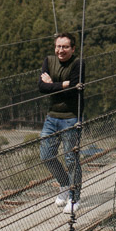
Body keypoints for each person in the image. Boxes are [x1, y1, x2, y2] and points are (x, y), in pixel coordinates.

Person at [38, 32, 85, 214]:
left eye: (65, 47)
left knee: (71, 159)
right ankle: (64, 184)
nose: (61, 50)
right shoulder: (49, 61)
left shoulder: (78, 64)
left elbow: (74, 89)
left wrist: (53, 86)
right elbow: (41, 87)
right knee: (46, 155)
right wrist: (64, 85)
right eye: (58, 46)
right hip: (52, 117)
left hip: (71, 117)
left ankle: (74, 197)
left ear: (73, 49)